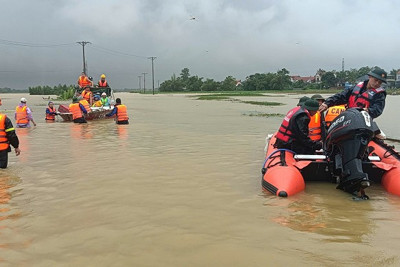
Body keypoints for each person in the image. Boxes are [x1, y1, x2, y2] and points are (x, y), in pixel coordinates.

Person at [319, 67, 387, 119]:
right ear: (370, 77)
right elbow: (341, 96)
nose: (377, 83)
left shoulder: (380, 94)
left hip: (364, 120)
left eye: (380, 82)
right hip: (348, 117)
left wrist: (368, 111)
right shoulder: (356, 87)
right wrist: (327, 103)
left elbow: (377, 109)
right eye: (376, 80)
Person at [0, 97, 21, 168]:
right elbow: (11, 135)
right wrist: (16, 146)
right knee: (3, 172)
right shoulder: (4, 119)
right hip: (1, 149)